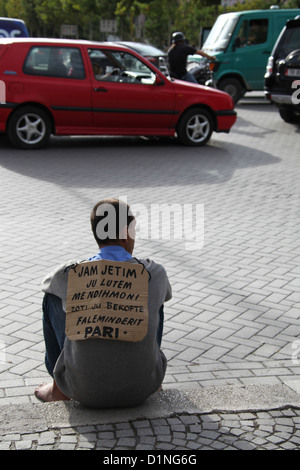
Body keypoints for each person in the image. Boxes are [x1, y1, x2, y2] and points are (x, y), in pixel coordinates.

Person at [35, 198, 172, 408]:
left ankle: (59, 390)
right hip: (143, 387)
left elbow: (46, 283)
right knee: (154, 294)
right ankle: (154, 380)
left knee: (51, 297)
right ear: (127, 233)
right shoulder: (154, 273)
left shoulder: (70, 274)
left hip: (82, 390)